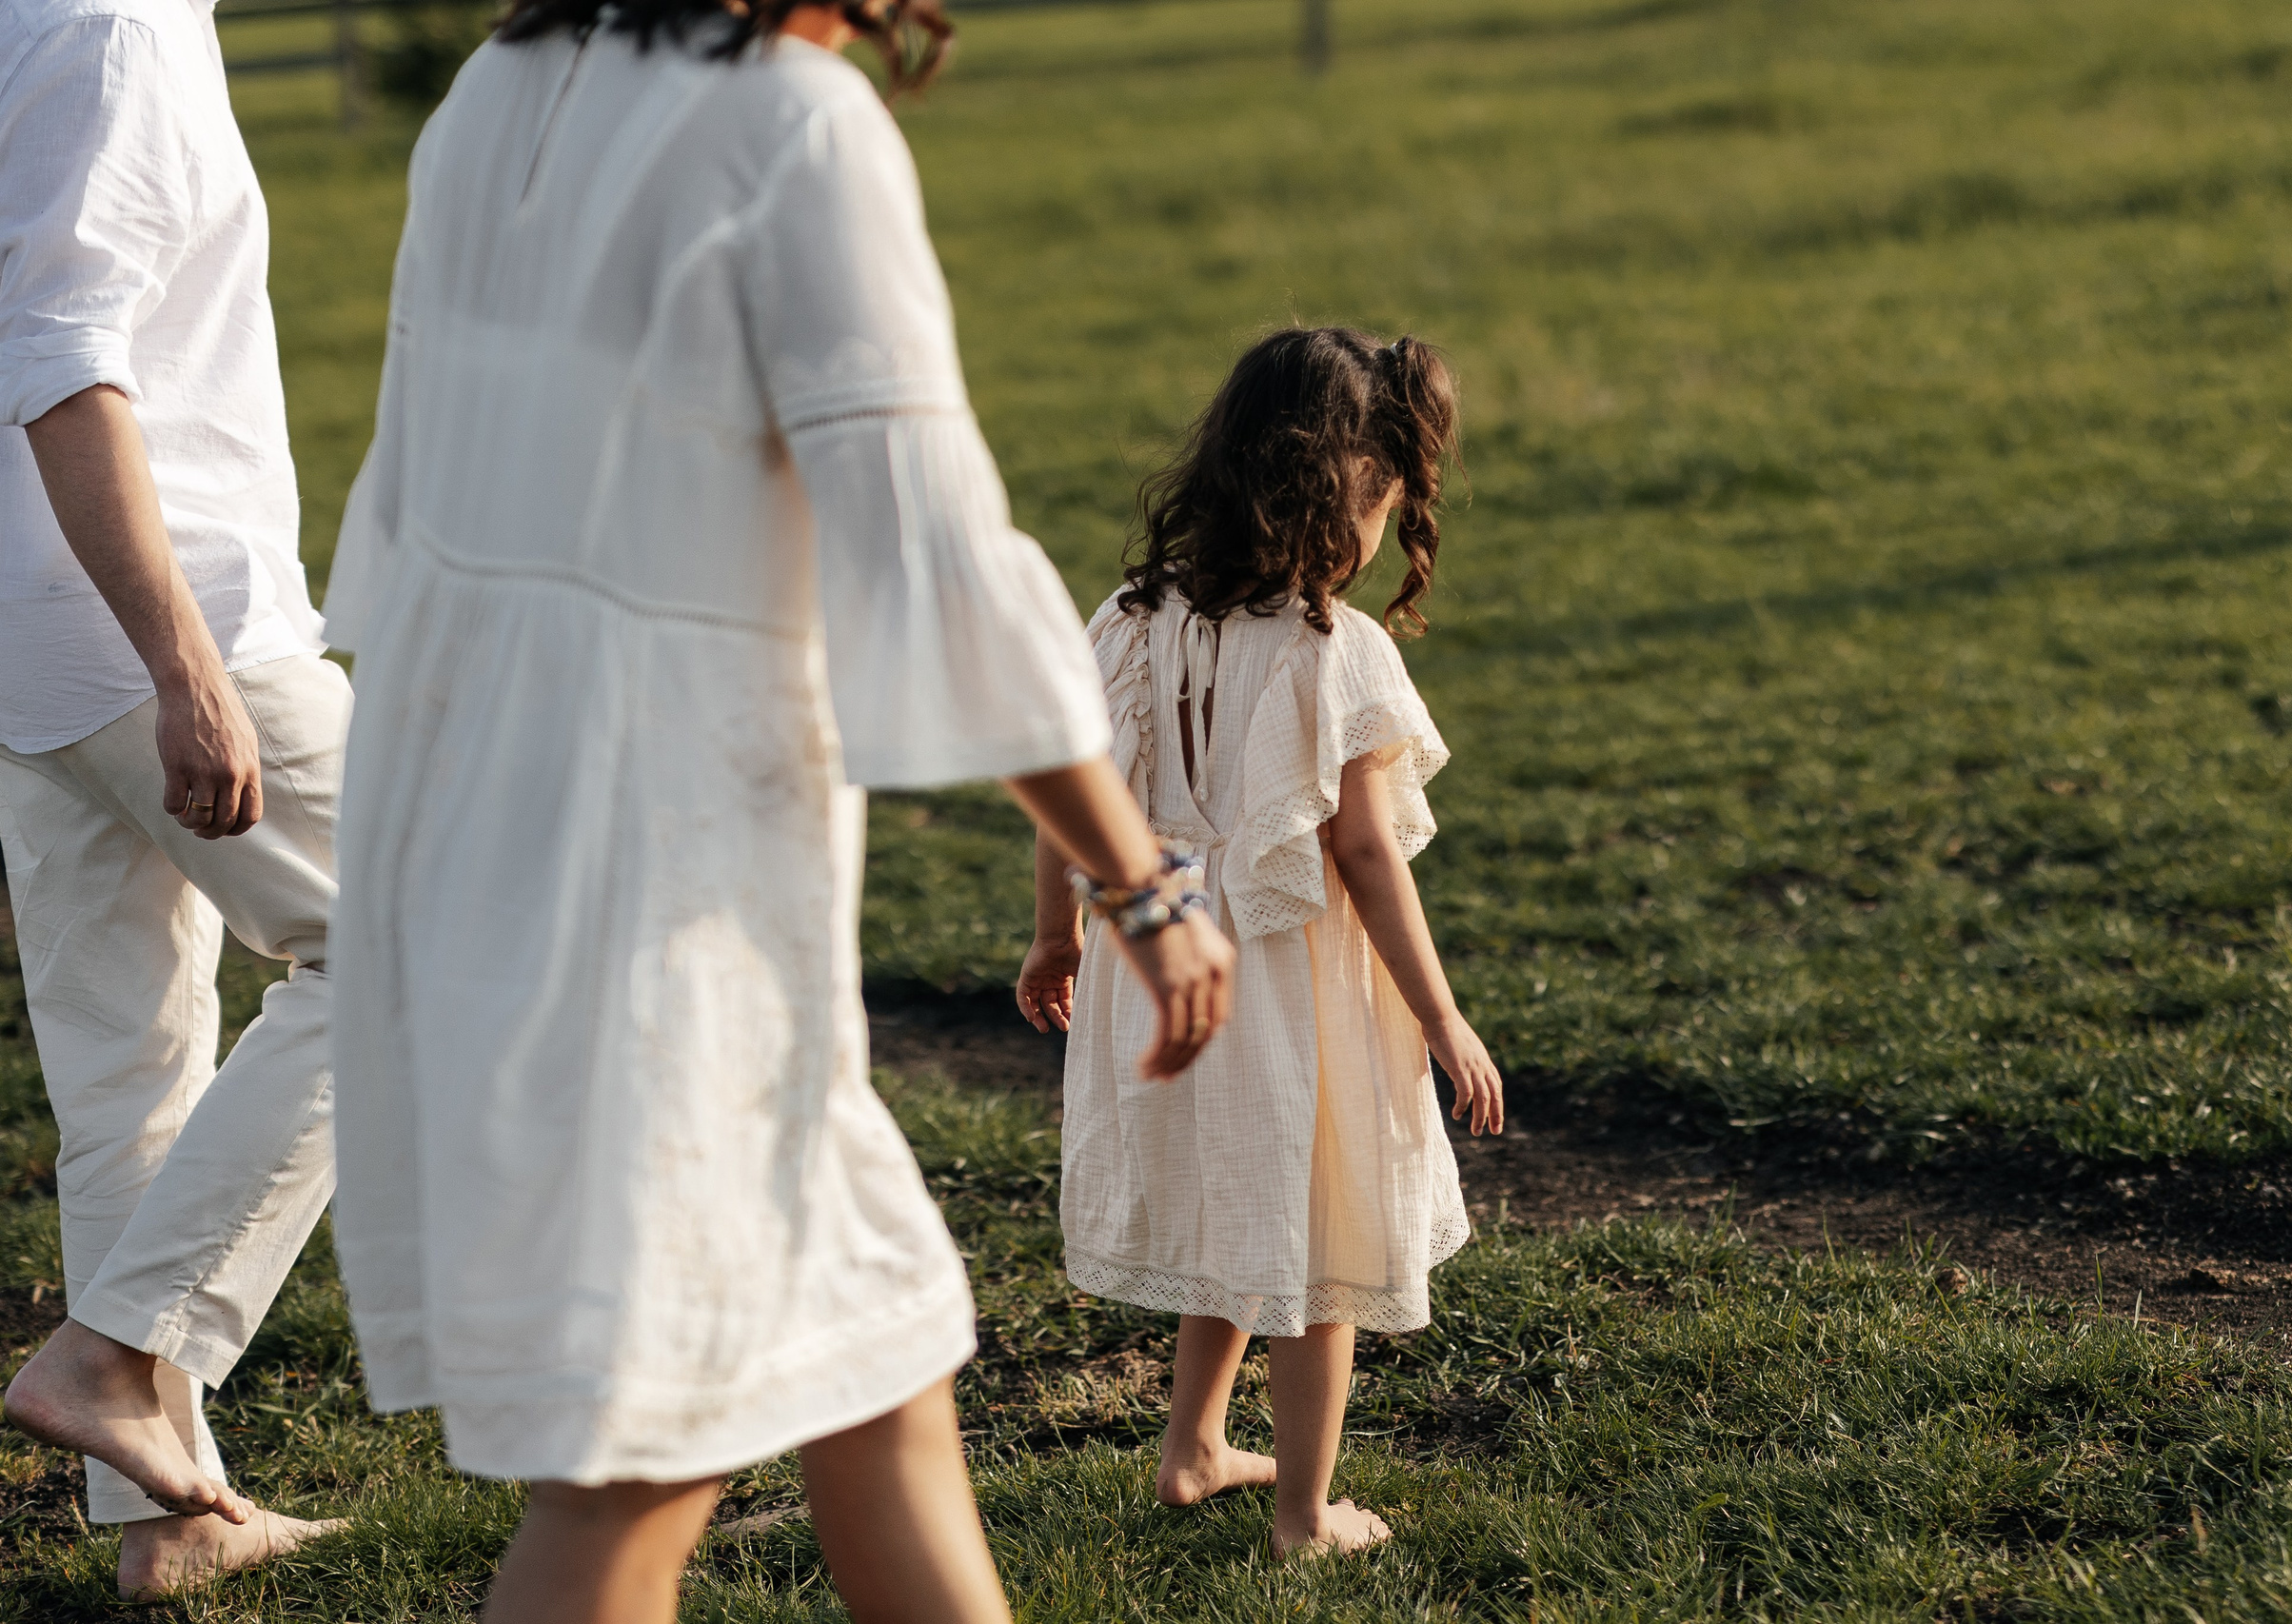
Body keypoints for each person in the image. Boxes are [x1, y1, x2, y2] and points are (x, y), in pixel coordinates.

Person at [314, 0, 1235, 1618]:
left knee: (879, 1356)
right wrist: (1138, 881)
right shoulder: (795, 121)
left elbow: (406, 512)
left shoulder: (491, 89)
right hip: (648, 875)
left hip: (464, 806)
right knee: (639, 1468)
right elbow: (930, 540)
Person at [1017, 327, 1505, 1561]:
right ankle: (1303, 1515)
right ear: (1355, 494)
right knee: (1317, 1237)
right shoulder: (1333, 649)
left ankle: (1193, 1447)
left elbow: (1070, 797)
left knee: (1244, 1199)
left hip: (1158, 960)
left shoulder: (1129, 620)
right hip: (1289, 980)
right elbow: (1367, 854)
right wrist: (1442, 1015)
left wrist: (1055, 938)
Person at [0, 0, 350, 1595]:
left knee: (125, 1078)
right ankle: (115, 1353)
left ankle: (171, 1519)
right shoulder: (111, 25)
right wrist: (185, 666)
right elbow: (63, 354)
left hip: (35, 642)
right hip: (162, 621)